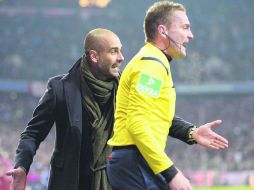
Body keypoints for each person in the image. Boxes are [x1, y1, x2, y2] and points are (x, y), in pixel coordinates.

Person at [107, 1, 228, 190]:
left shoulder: (153, 62)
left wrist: (191, 132)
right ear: (163, 31)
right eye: (185, 27)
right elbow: (137, 121)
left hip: (134, 160)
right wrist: (171, 172)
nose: (190, 35)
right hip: (135, 160)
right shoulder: (151, 65)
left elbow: (153, 117)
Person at [6, 28, 124, 190]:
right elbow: (32, 134)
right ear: (94, 56)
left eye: (120, 50)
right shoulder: (60, 89)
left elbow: (156, 112)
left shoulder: (126, 88)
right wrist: (22, 166)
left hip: (114, 183)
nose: (121, 57)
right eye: (113, 51)